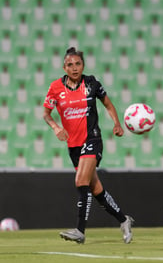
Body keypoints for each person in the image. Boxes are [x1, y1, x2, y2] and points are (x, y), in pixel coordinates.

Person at [43, 47, 134, 244]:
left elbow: (108, 104)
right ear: (63, 67)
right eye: (70, 64)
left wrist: (117, 124)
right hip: (73, 146)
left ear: (83, 65)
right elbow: (46, 113)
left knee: (80, 181)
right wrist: (55, 127)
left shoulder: (92, 83)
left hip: (92, 139)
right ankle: (123, 219)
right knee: (95, 188)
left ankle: (80, 231)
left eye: (78, 64)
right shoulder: (55, 88)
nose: (74, 68)